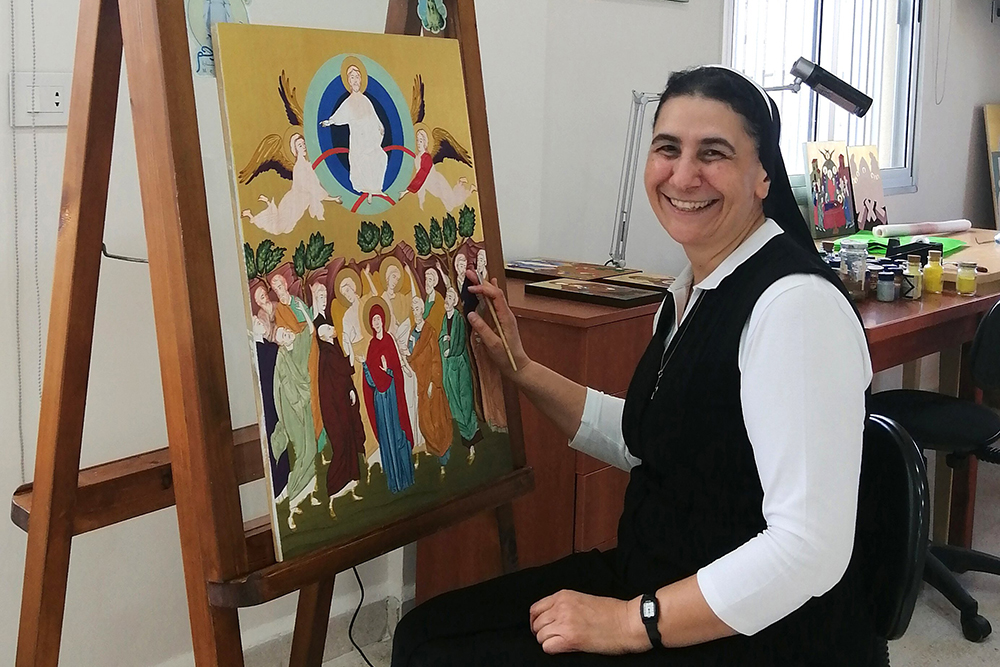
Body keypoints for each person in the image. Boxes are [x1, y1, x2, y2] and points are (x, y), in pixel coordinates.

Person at [392, 66, 875, 666]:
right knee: (424, 635)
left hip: (752, 631)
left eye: (714, 153)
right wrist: (521, 369)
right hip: (652, 577)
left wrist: (628, 620)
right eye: (667, 149)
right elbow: (651, 437)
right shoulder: (689, 291)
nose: (683, 174)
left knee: (440, 658)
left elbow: (809, 549)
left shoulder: (795, 309)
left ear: (763, 177)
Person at [362, 303, 416, 494]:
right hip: (380, 399)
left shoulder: (389, 341)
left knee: (398, 433)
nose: (376, 322)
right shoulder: (371, 346)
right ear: (370, 323)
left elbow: (396, 372)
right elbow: (368, 379)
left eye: (378, 318)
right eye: (373, 319)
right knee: (387, 438)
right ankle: (394, 482)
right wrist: (366, 367)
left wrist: (388, 371)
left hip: (392, 395)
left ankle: (406, 478)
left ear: (383, 320)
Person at [320, 59, 388, 202]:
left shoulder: (365, 100)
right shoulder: (349, 102)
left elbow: (374, 116)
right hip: (359, 139)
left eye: (357, 77)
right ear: (348, 82)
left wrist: (380, 126)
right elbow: (339, 115)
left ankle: (377, 189)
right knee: (363, 161)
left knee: (381, 157)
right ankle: (367, 190)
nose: (355, 80)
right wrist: (329, 122)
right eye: (352, 78)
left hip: (371, 137)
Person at [407, 295, 455, 471]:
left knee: (437, 419)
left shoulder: (430, 331)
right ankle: (435, 449)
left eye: (418, 308)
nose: (416, 312)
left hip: (431, 383)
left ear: (423, 310)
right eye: (413, 309)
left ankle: (443, 453)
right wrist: (408, 351)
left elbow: (435, 359)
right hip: (420, 381)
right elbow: (413, 357)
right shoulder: (413, 332)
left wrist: (433, 382)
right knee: (425, 420)